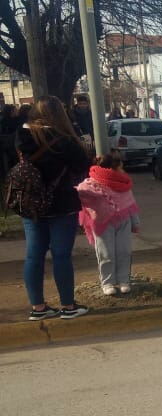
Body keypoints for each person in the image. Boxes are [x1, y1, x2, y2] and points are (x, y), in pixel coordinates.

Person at [15, 96, 91, 320]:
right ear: (59, 114)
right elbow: (82, 165)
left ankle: (38, 308)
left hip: (31, 204)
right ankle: (68, 306)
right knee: (61, 255)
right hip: (61, 203)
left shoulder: (22, 136)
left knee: (33, 256)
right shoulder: (65, 140)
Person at [76, 150, 140, 296]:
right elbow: (81, 192)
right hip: (102, 223)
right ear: (113, 167)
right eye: (120, 165)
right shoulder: (92, 183)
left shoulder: (123, 183)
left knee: (124, 251)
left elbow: (130, 203)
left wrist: (135, 222)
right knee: (106, 253)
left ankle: (124, 280)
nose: (123, 167)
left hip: (123, 222)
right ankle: (107, 283)